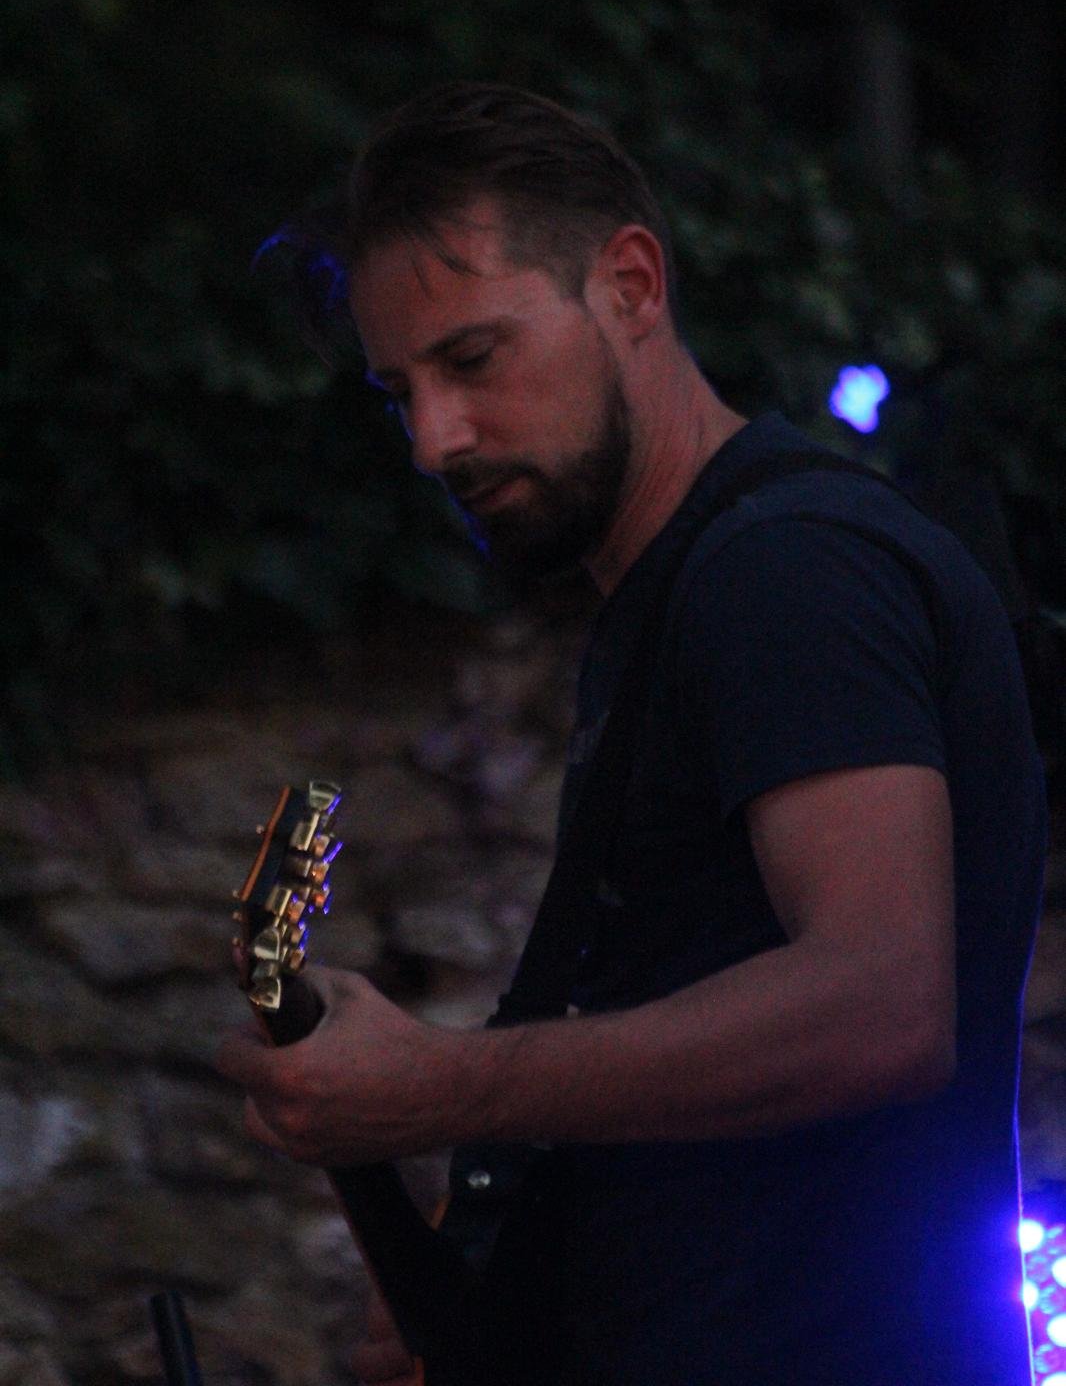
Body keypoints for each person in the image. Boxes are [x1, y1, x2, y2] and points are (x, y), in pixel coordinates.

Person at [217, 82, 1046, 1385]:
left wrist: (444, 1086)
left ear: (631, 284)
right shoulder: (680, 601)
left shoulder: (787, 571)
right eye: (398, 392)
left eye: (473, 360)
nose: (434, 440)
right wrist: (481, 1251)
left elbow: (881, 1005)